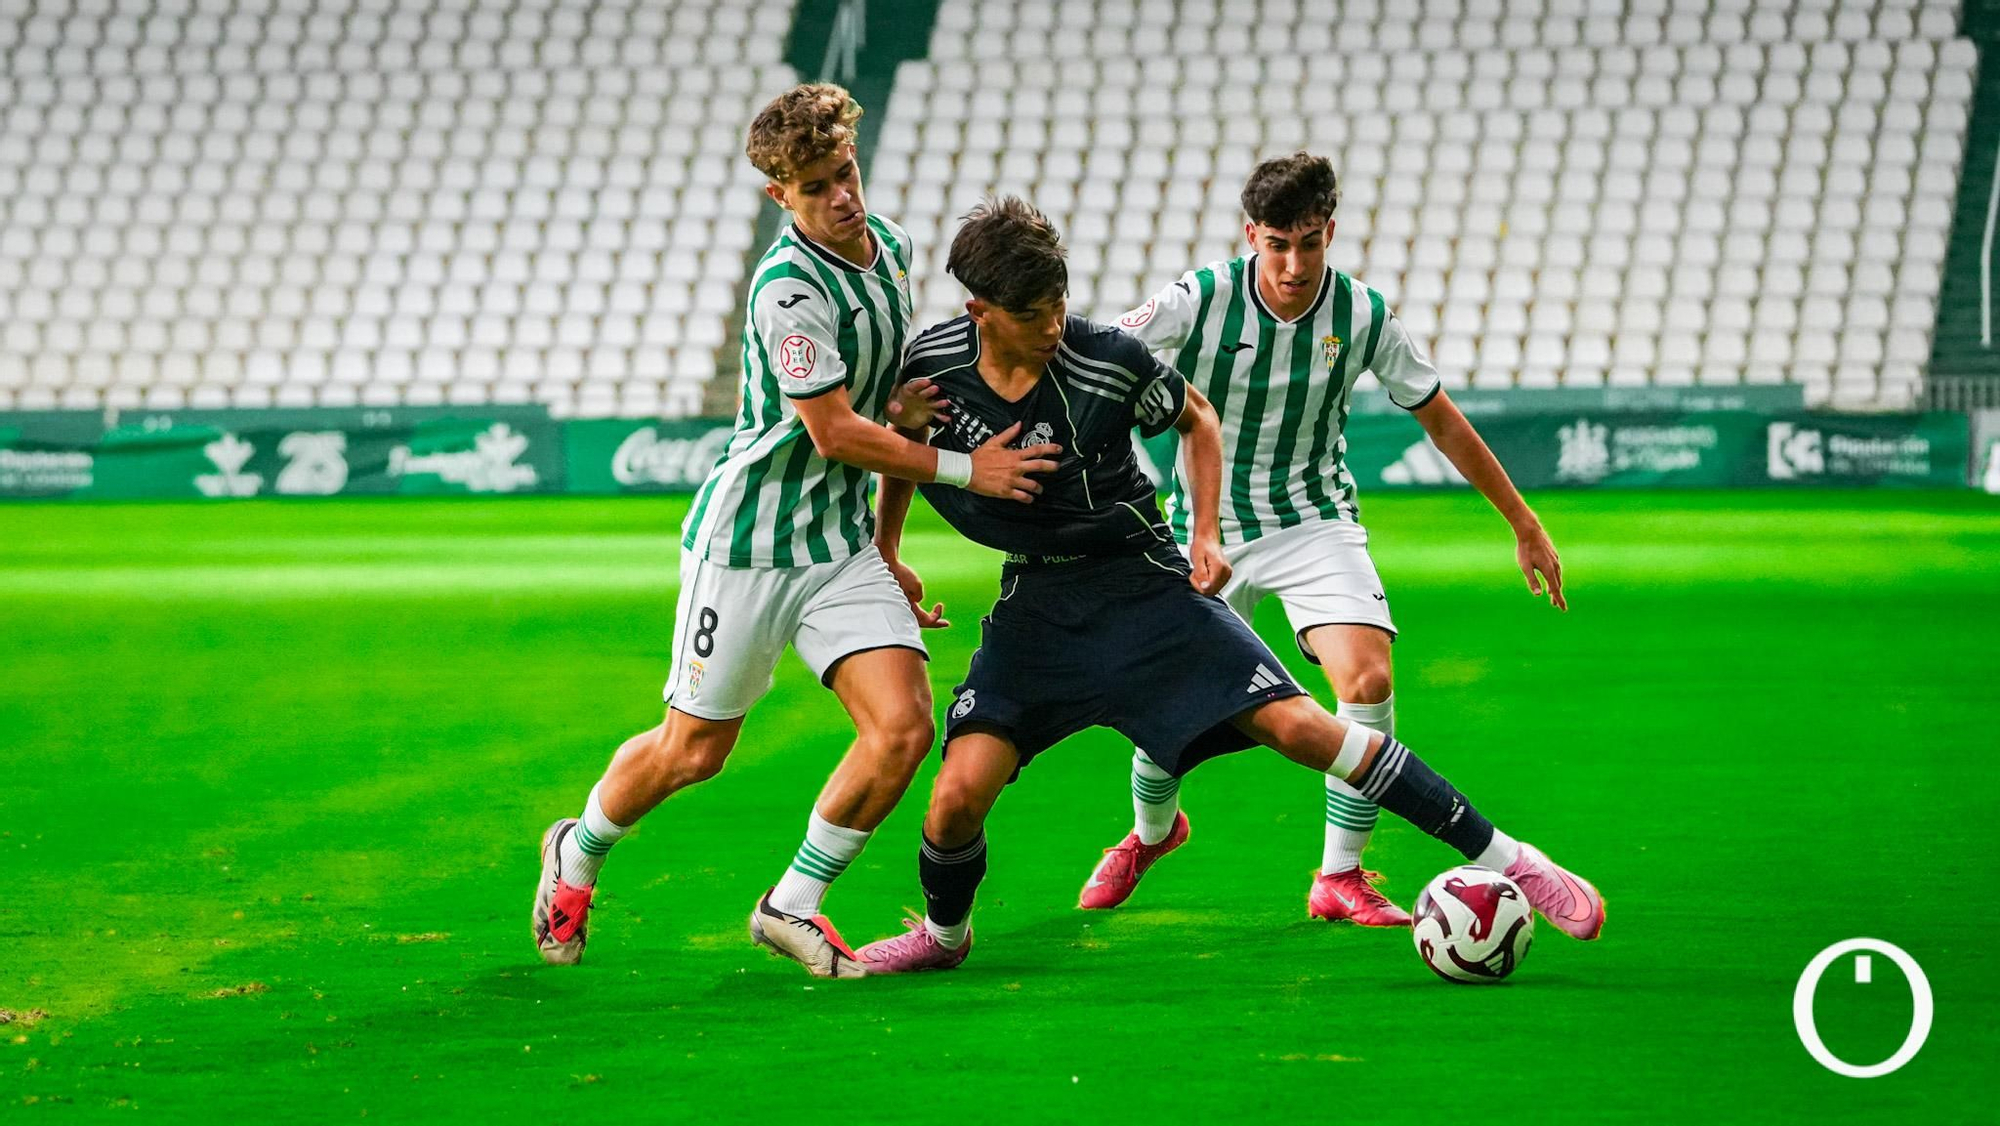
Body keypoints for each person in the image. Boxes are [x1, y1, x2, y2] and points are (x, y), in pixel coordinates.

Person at [853, 197, 1603, 974]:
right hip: (1036, 610)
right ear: (980, 309)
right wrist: (888, 547)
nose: (1053, 326)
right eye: (1033, 314)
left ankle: (1511, 858)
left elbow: (1197, 418)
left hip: (1142, 584)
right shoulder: (929, 366)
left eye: (1060, 304)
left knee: (1308, 729)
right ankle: (944, 940)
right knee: (953, 801)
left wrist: (1202, 533)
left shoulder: (1106, 358)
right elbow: (899, 445)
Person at [529, 85, 1059, 978]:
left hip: (838, 545)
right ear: (781, 196)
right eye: (816, 187)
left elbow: (898, 415)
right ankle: (575, 854)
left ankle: (792, 904)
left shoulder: (891, 248)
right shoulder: (786, 291)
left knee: (902, 728)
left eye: (845, 172)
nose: (841, 196)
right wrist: (974, 473)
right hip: (747, 546)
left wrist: (889, 547)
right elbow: (837, 432)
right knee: (694, 751)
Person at [1080, 152, 1567, 927]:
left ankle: (1339, 876)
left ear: (1330, 232)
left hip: (1315, 519)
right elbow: (1097, 355)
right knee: (1162, 716)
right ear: (1252, 236)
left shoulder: (1363, 312)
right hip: (1208, 527)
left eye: (1310, 242)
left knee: (1367, 683)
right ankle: (1152, 833)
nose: (1295, 263)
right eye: (1278, 244)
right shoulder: (1199, 298)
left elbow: (1438, 416)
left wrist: (1523, 520)